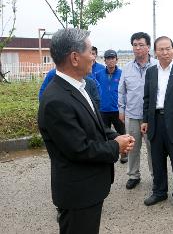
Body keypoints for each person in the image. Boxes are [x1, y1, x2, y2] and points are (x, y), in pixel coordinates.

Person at [38, 28, 134, 234]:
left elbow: (96, 126)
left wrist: (117, 136)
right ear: (74, 57)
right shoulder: (57, 100)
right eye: (91, 51)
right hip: (78, 194)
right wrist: (116, 147)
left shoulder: (79, 87)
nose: (94, 57)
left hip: (88, 190)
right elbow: (79, 149)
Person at [141, 36, 173, 211]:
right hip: (155, 121)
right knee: (157, 161)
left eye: (168, 48)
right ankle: (159, 192)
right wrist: (145, 120)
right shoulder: (150, 72)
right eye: (161, 49)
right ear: (155, 51)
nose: (165, 52)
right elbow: (147, 99)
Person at [118, 32, 158, 190]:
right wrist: (121, 110)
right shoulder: (127, 68)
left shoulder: (157, 66)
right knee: (132, 147)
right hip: (132, 114)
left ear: (148, 47)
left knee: (152, 147)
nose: (138, 48)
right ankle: (134, 175)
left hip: (152, 116)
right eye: (135, 45)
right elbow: (121, 91)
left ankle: (156, 176)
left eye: (141, 45)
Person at [95, 49, 126, 163]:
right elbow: (96, 90)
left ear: (116, 60)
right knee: (104, 134)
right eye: (108, 58)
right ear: (105, 61)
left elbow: (126, 91)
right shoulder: (98, 74)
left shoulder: (122, 74)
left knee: (121, 132)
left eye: (113, 58)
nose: (111, 60)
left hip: (117, 109)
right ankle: (108, 154)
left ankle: (124, 153)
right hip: (103, 109)